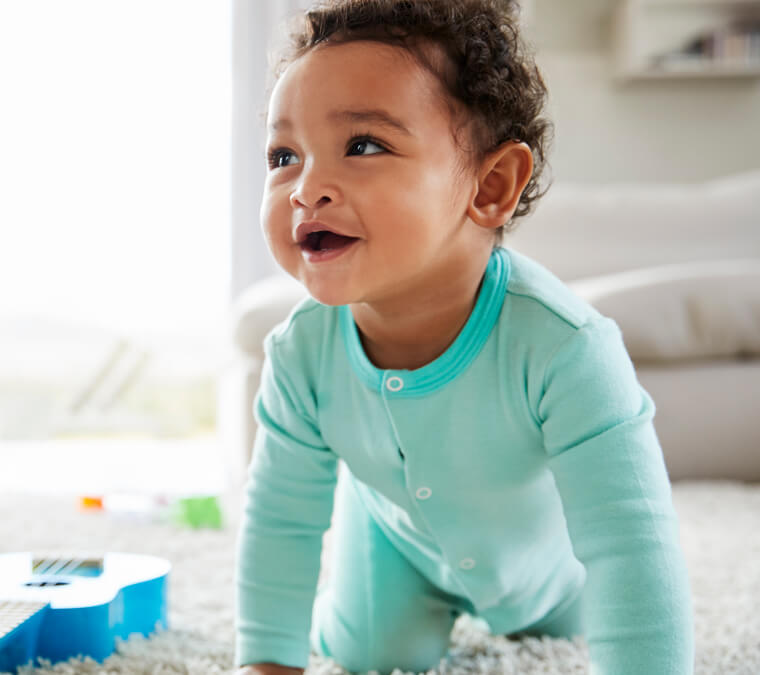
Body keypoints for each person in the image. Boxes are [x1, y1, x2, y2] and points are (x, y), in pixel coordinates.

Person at [233, 1, 695, 674]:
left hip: (547, 565)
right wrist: (267, 661)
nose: (306, 188)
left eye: (362, 145)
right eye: (284, 155)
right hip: (394, 547)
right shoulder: (301, 354)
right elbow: (280, 523)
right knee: (371, 652)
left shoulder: (565, 346)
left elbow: (631, 539)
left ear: (491, 185)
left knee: (583, 614)